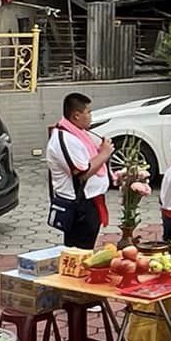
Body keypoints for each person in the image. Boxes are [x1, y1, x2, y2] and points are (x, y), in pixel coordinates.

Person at [46, 92, 114, 248]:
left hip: (91, 199)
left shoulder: (78, 133)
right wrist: (104, 154)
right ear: (76, 115)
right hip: (79, 204)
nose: (91, 116)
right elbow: (81, 174)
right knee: (79, 250)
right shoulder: (65, 138)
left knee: (86, 247)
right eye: (88, 112)